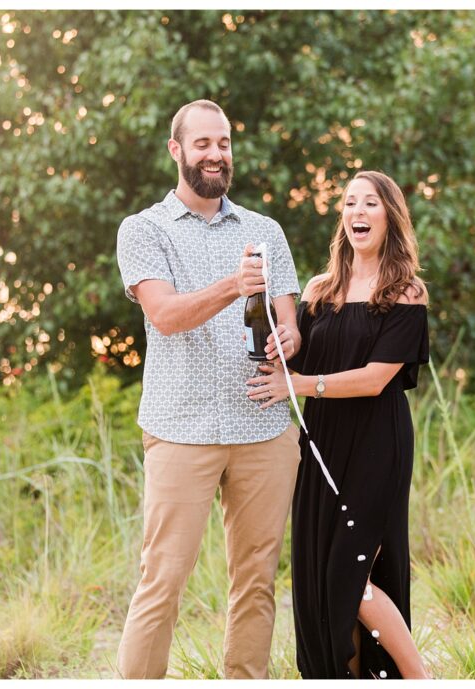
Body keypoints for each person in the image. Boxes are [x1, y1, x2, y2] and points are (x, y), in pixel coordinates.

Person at [114, 99, 303, 679]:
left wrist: (288, 340)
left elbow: (289, 320)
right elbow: (166, 315)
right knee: (163, 578)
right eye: (202, 144)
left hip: (263, 427)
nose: (215, 154)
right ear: (177, 152)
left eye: (222, 143)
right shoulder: (143, 230)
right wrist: (231, 284)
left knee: (257, 578)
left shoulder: (264, 230)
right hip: (180, 430)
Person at [246, 170, 432, 679]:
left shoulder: (407, 293)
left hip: (376, 448)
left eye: (370, 203)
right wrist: (284, 343)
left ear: (389, 216)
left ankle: (420, 678)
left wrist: (299, 386)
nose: (357, 212)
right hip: (322, 445)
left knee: (349, 578)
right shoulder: (319, 289)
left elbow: (375, 380)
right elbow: (298, 356)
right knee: (317, 585)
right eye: (350, 203)